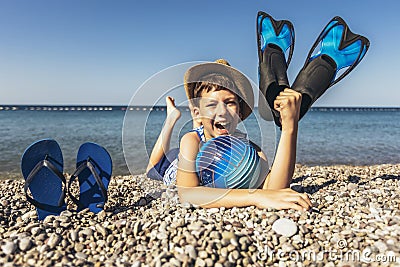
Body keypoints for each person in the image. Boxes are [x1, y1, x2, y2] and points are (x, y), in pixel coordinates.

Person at [147, 59, 312, 211]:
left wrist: (290, 125)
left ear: (239, 113)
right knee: (151, 167)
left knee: (210, 125)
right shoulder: (190, 141)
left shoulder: (248, 151)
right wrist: (255, 197)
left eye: (230, 102)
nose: (223, 111)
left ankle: (201, 119)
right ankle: (171, 119)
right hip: (173, 165)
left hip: (205, 135)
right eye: (212, 104)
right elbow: (187, 194)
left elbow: (274, 189)